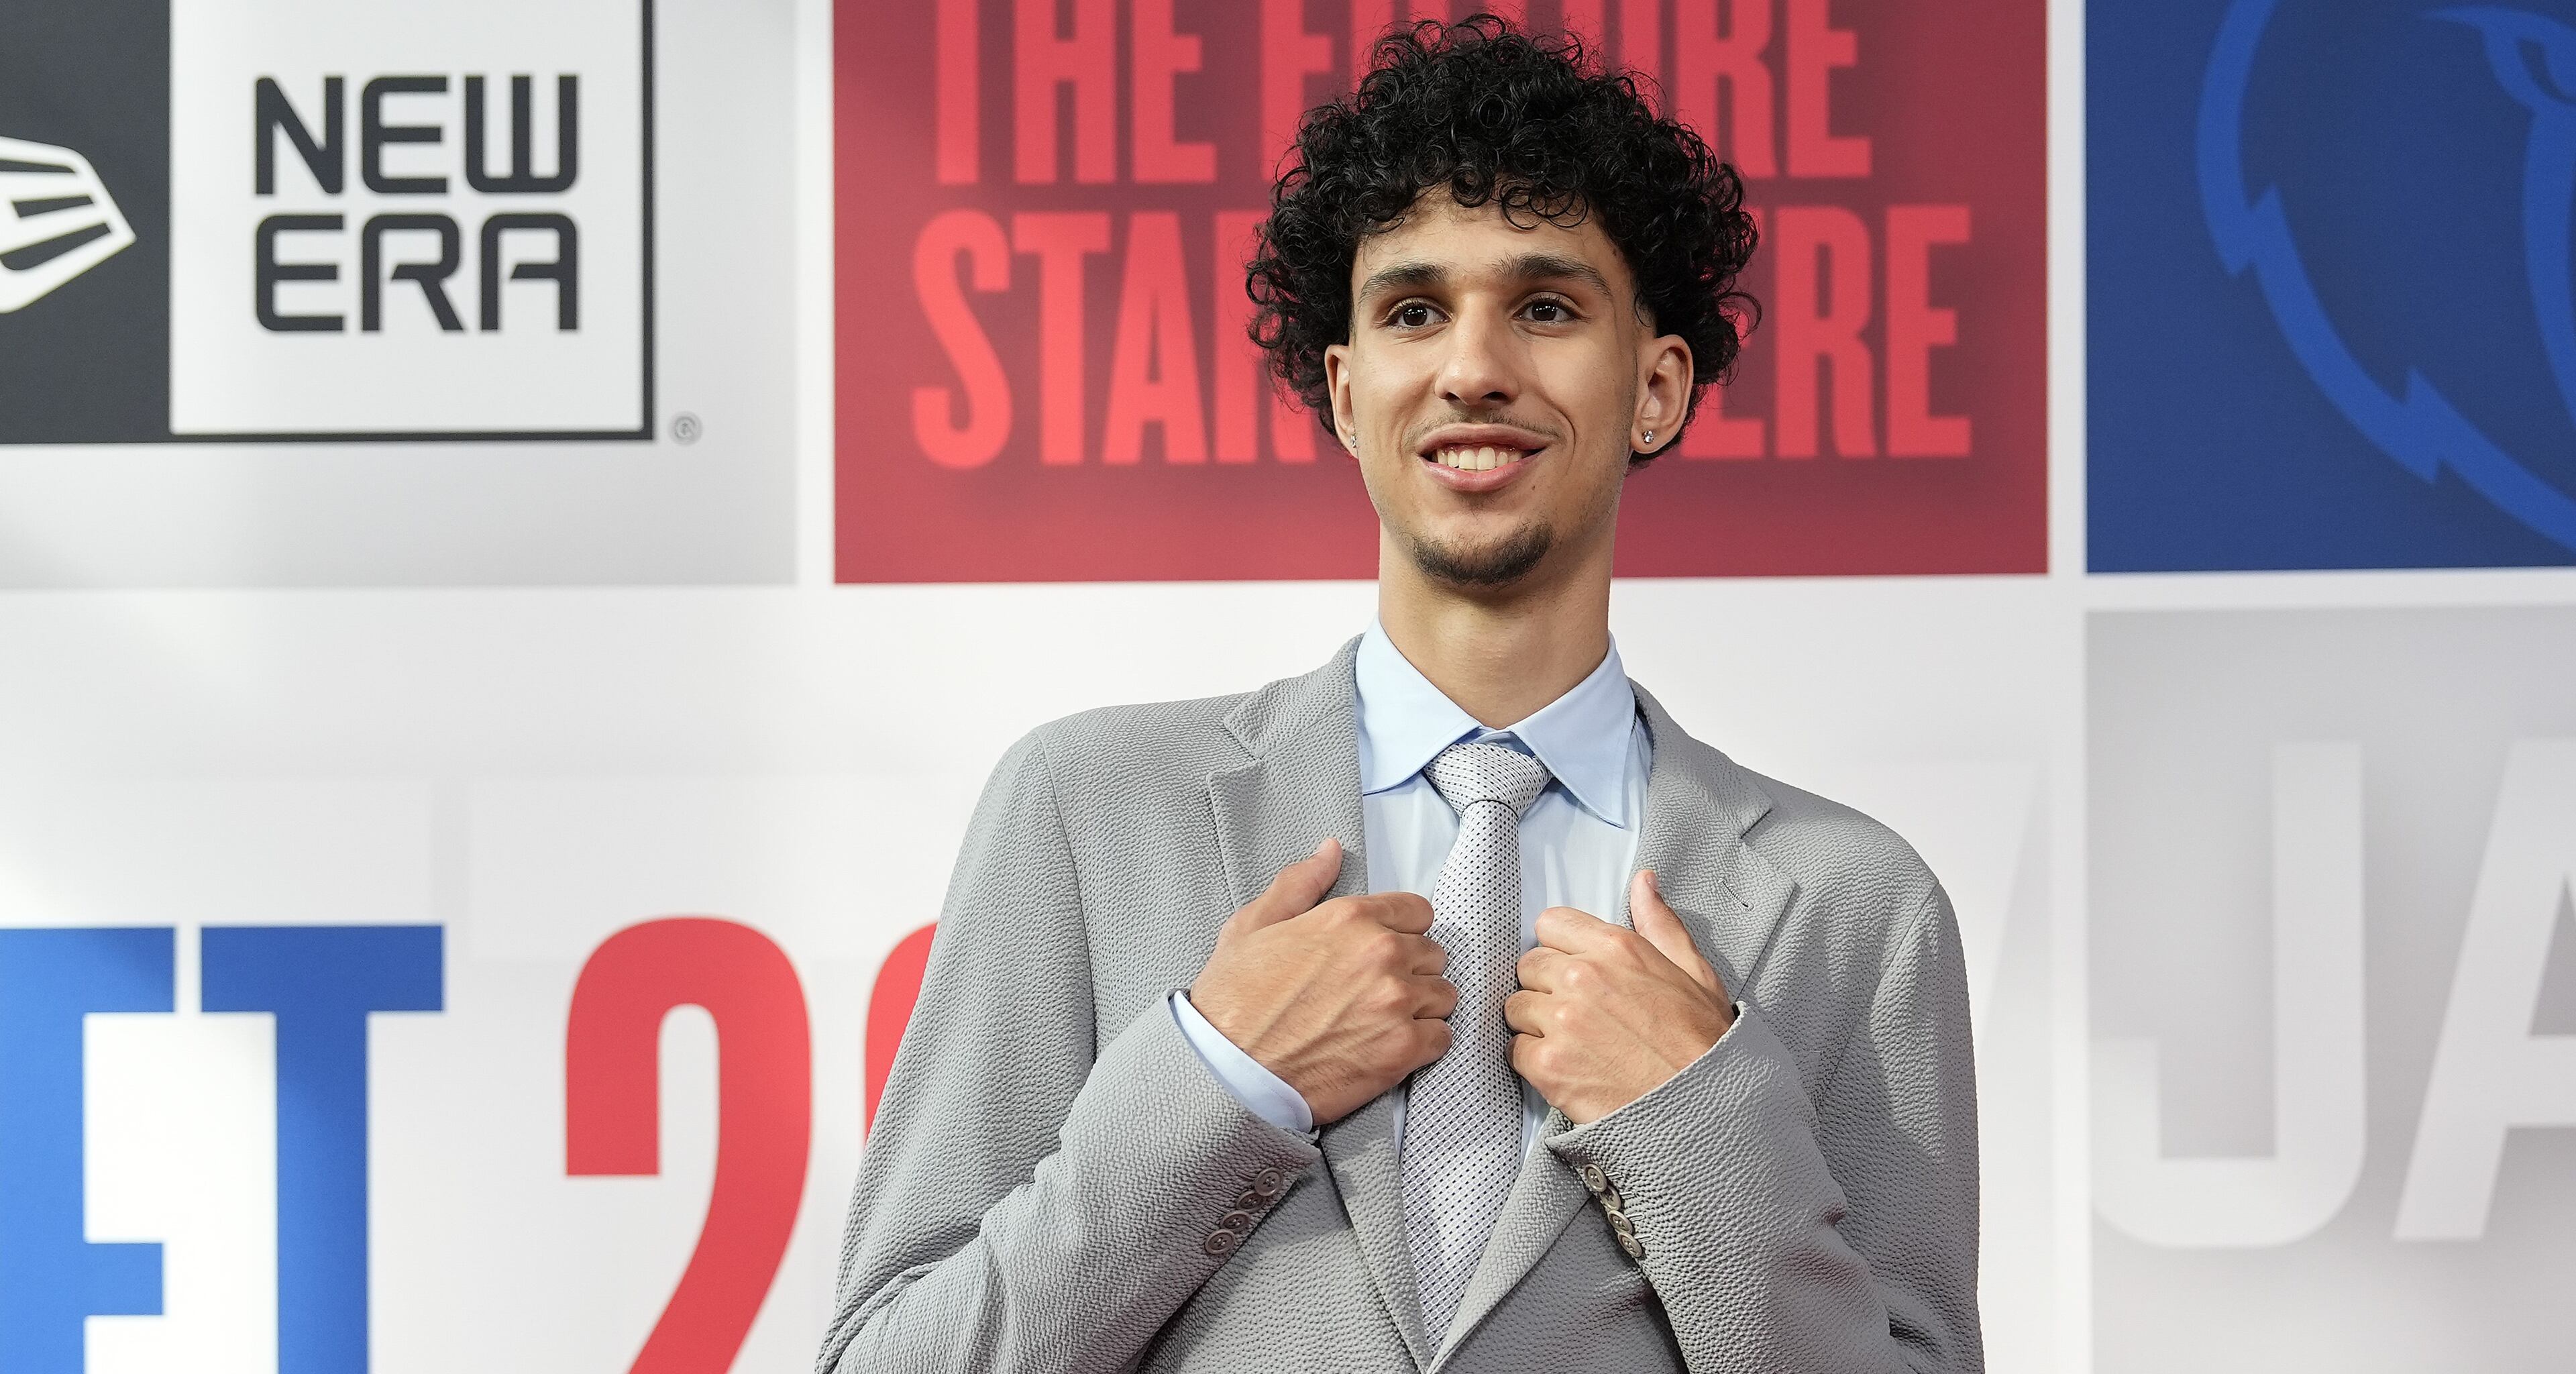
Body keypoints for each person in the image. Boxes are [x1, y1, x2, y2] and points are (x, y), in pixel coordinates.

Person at [818, 17, 1980, 1373]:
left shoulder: (1859, 908)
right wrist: (1220, 1080)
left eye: (1545, 307)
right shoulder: (1084, 812)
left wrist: (1697, 1131)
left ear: (1658, 386)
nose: (1472, 366)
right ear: (1347, 388)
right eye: (1413, 310)